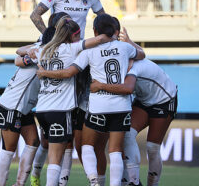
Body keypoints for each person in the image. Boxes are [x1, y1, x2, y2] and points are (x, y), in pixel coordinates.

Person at [36, 14, 145, 186]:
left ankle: (94, 181)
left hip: (98, 105)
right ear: (115, 31)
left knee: (87, 146)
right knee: (116, 150)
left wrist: (44, 72)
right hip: (122, 105)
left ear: (95, 31)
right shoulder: (124, 48)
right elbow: (141, 54)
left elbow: (69, 72)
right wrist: (129, 45)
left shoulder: (88, 51)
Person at [33, 16, 114, 186]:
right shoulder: (71, 48)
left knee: (53, 151)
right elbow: (100, 38)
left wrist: (31, 58)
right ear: (72, 36)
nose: (80, 38)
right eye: (78, 35)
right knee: (56, 156)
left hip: (41, 110)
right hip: (60, 110)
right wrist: (114, 37)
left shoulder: (42, 50)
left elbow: (20, 53)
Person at [90, 29, 177, 186]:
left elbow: (128, 88)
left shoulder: (133, 68)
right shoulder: (125, 61)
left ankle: (152, 184)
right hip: (143, 100)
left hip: (164, 100)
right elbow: (140, 53)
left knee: (152, 147)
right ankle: (133, 181)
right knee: (127, 134)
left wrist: (100, 86)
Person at [0, 13, 64, 186]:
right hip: (12, 104)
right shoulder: (42, 49)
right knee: (8, 149)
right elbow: (19, 58)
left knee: (33, 142)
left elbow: (20, 53)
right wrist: (28, 54)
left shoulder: (48, 48)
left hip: (24, 107)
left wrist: (25, 52)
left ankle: (19, 183)